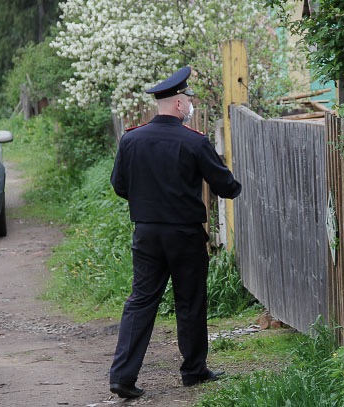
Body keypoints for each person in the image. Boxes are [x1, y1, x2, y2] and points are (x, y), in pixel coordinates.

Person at [108, 66, 242, 399]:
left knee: (140, 301)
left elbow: (119, 186)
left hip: (147, 234)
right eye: (188, 100)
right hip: (184, 235)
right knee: (190, 302)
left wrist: (148, 204)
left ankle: (123, 377)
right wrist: (237, 184)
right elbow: (226, 187)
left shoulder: (131, 139)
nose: (190, 106)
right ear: (179, 104)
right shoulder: (193, 142)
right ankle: (194, 371)